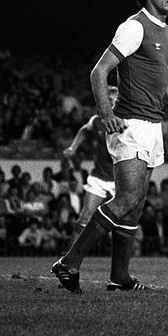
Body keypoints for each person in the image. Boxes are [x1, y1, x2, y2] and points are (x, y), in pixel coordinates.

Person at [52, 0, 168, 292]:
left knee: (135, 205)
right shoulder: (135, 26)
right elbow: (99, 72)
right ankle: (68, 262)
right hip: (131, 124)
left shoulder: (167, 32)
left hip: (153, 126)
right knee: (127, 198)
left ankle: (119, 277)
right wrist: (106, 113)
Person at [62, 86, 120, 232]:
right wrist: (73, 148)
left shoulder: (128, 123)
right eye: (108, 100)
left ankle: (123, 254)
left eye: (114, 100)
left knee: (123, 222)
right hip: (98, 177)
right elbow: (83, 130)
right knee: (85, 216)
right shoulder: (96, 121)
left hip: (119, 180)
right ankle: (72, 255)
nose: (111, 103)